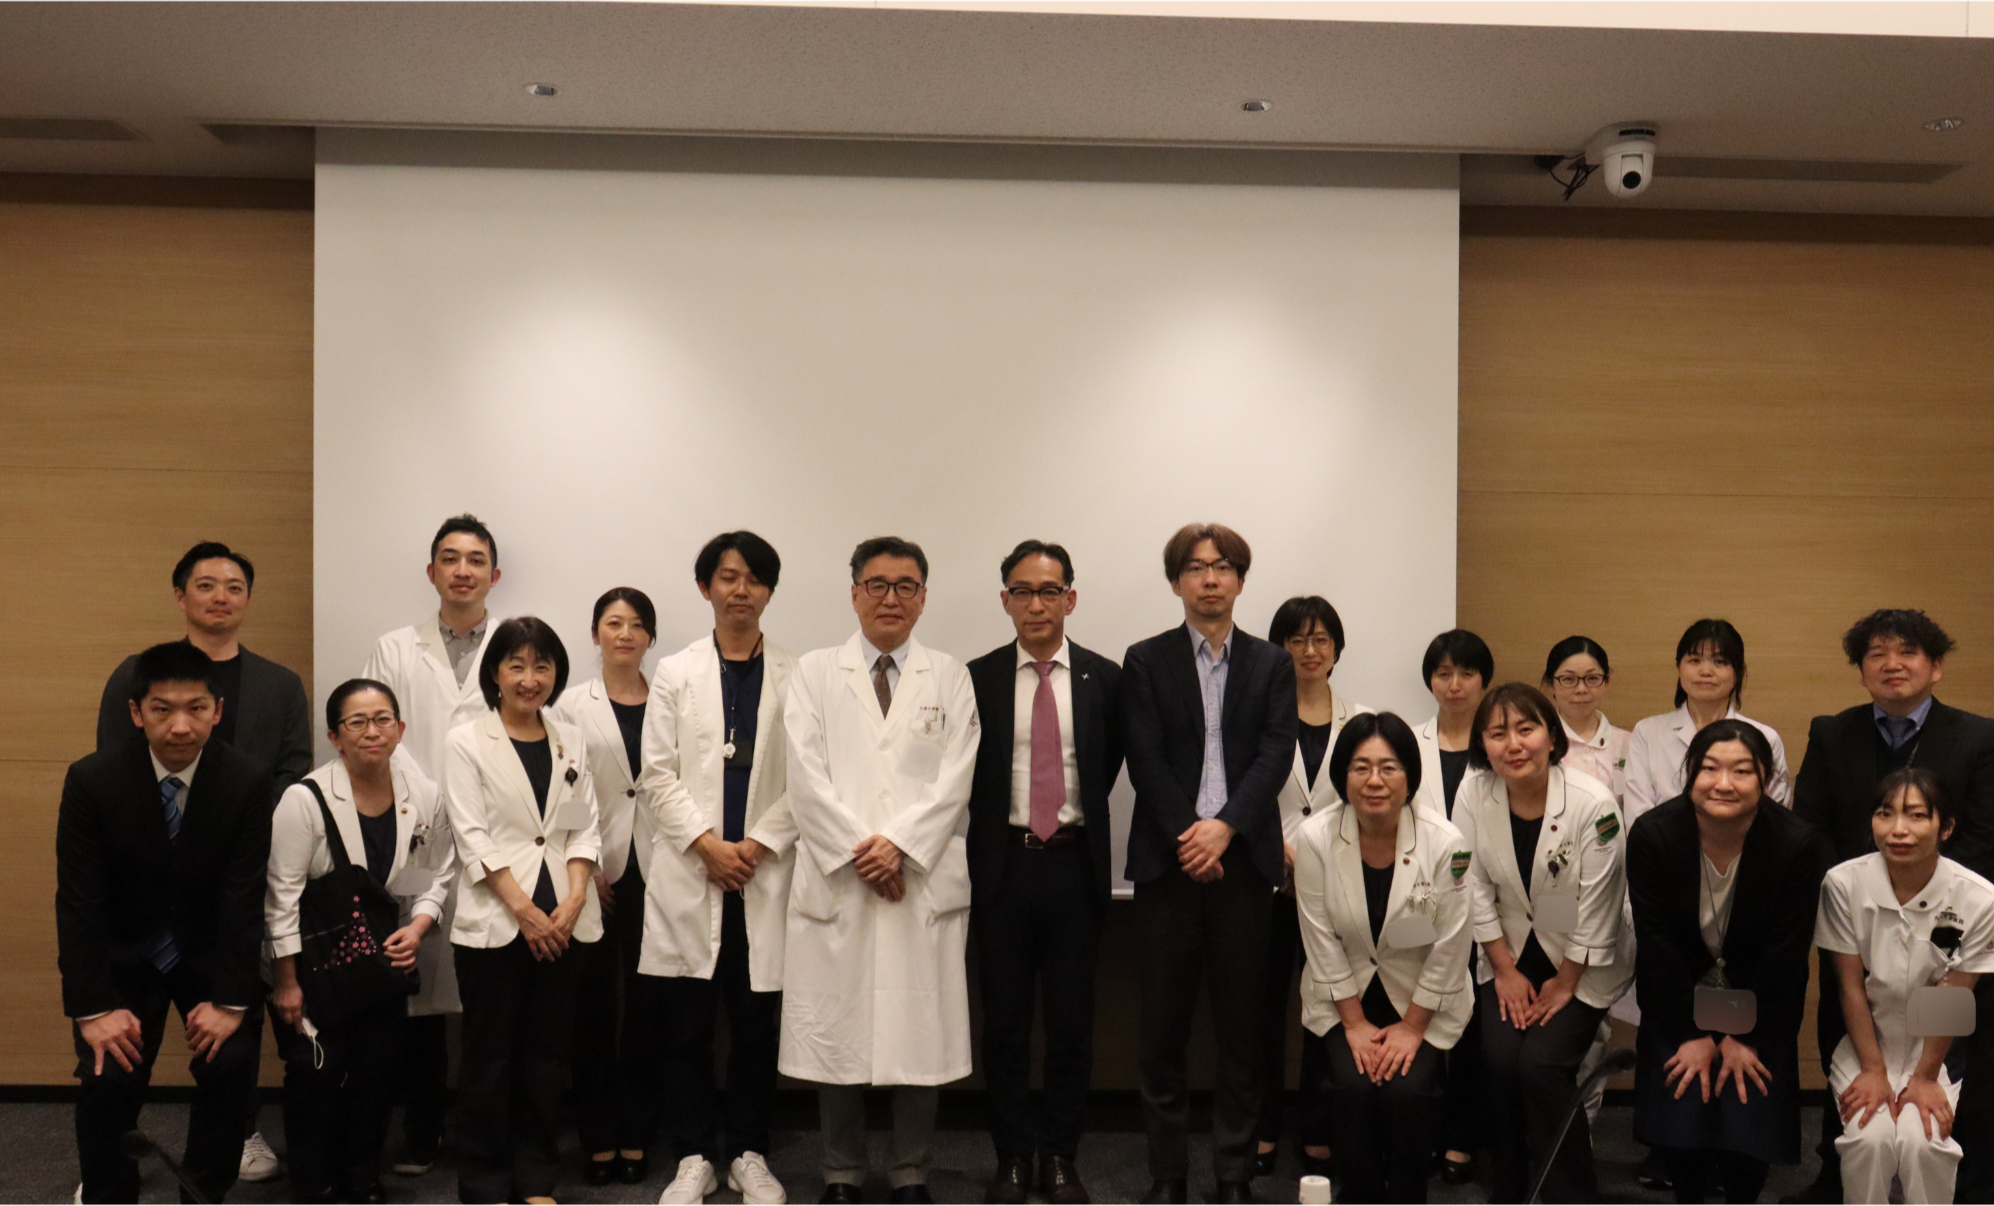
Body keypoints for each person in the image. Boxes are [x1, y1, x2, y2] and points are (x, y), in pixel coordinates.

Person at [94, 540, 309, 1185]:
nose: (221, 597)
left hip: (238, 880)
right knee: (126, 1045)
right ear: (180, 595)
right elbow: (114, 771)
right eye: (206, 585)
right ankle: (109, 1164)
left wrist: (239, 836)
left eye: (234, 586)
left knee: (231, 1038)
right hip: (146, 887)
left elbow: (292, 774)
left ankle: (239, 1134)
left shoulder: (279, 683)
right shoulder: (139, 674)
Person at [781, 536, 980, 1205]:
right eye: (877, 584)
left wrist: (898, 846)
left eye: (905, 586)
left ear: (923, 598)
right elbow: (803, 775)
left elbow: (955, 778)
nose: (891, 598)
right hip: (840, 878)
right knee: (836, 1031)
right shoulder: (814, 672)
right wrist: (862, 852)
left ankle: (910, 1172)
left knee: (918, 1036)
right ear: (854, 593)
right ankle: (840, 1172)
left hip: (917, 879)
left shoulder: (949, 676)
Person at [1789, 610, 1994, 1203]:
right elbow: (1812, 827)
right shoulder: (1832, 732)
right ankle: (1839, 1179)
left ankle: (1963, 1185)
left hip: (1951, 926)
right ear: (1861, 671)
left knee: (1943, 1085)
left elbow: (1984, 835)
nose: (1892, 664)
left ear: (1936, 666)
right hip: (1856, 918)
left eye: (1907, 652)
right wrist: (1864, 890)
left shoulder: (1979, 737)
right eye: (1876, 654)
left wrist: (1922, 890)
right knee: (1859, 1081)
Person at [58, 641, 273, 1203]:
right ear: (136, 712)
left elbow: (243, 897)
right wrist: (94, 1009)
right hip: (125, 956)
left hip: (208, 956)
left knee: (232, 1063)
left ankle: (202, 1192)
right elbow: (80, 902)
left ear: (217, 711)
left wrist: (230, 1002)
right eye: (162, 709)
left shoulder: (247, 781)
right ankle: (108, 1193)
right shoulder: (93, 780)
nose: (180, 726)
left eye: (196, 708)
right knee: (107, 1074)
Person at [1120, 522, 1297, 1205]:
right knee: (1162, 1030)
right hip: (1168, 868)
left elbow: (1275, 753)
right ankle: (1167, 1174)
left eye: (1223, 566)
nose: (1210, 578)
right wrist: (1190, 837)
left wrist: (1224, 829)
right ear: (1176, 582)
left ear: (1241, 580)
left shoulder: (1271, 663)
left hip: (1244, 865)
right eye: (1196, 568)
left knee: (1242, 1030)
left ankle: (1232, 1173)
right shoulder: (1145, 660)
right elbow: (1144, 757)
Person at [640, 533, 798, 1206]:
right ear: (706, 588)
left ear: (769, 592)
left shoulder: (797, 674)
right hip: (693, 871)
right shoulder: (675, 673)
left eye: (754, 578)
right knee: (687, 1027)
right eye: (728, 577)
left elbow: (808, 778)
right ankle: (695, 1156)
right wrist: (707, 845)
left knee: (758, 1025)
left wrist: (755, 844)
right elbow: (657, 773)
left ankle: (750, 1153)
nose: (741, 590)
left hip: (763, 875)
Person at [967, 541, 1124, 1205]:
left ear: (1071, 599)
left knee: (1069, 1024)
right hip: (1002, 868)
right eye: (1023, 591)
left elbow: (1107, 764)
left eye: (1050, 591)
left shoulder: (1105, 678)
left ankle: (1059, 1155)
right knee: (1003, 1024)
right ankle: (1011, 1158)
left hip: (1072, 868)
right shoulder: (975, 678)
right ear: (1005, 600)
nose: (1037, 604)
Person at [265, 679, 456, 1204]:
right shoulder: (304, 799)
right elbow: (280, 896)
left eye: (382, 719)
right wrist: (286, 983)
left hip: (380, 962)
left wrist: (417, 926)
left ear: (400, 729)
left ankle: (361, 1176)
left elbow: (432, 872)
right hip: (314, 965)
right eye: (357, 722)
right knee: (319, 1073)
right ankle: (314, 1182)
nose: (372, 731)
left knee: (376, 1072)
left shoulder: (424, 795)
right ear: (335, 736)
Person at [1628, 719, 1831, 1205]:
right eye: (1709, 768)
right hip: (1678, 1001)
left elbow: (1784, 954)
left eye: (1741, 771)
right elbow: (1657, 947)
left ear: (1766, 779)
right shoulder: (1654, 834)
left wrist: (1741, 1037)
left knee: (1746, 1117)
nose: (1723, 783)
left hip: (1760, 1004)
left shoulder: (1796, 843)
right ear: (1690, 773)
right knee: (1683, 1115)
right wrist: (1694, 1034)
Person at [443, 616, 602, 1205]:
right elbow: (472, 836)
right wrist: (525, 913)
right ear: (495, 674)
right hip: (498, 922)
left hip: (564, 920)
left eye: (542, 666)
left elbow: (582, 824)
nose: (529, 678)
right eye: (517, 665)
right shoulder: (466, 741)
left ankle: (536, 1178)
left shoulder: (569, 739)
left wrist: (576, 897)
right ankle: (485, 1182)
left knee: (546, 1057)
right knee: (489, 1058)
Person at [361, 513, 502, 1174]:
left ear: (494, 574)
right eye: (450, 558)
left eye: (475, 559)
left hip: (496, 835)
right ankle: (421, 1128)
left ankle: (483, 1130)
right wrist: (425, 799)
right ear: (432, 571)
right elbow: (374, 731)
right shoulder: (395, 648)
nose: (462, 570)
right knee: (415, 986)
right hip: (414, 832)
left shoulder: (516, 644)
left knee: (488, 989)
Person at [1452, 682, 1631, 1203]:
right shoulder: (1473, 793)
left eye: (1526, 729)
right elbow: (1471, 885)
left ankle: (1570, 1194)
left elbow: (1599, 903)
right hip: (1506, 952)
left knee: (1541, 1066)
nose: (1513, 744)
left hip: (1580, 959)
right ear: (1482, 745)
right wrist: (1504, 970)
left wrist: (1565, 983)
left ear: (1552, 737)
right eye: (1497, 733)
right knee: (1500, 1061)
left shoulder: (1592, 803)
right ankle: (1510, 1187)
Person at [1293, 711, 1473, 1204]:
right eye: (1361, 767)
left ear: (1410, 776)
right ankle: (1360, 1195)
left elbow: (1451, 943)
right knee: (1352, 1087)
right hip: (1344, 994)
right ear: (1343, 776)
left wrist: (1413, 1027)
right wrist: (1353, 1024)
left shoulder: (1446, 843)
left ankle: (1408, 1195)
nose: (1374, 781)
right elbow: (1318, 935)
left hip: (1421, 996)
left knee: (1406, 1091)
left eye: (1388, 767)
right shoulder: (1315, 838)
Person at [1817, 769, 1994, 1206]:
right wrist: (1873, 1070)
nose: (1899, 829)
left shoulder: (1978, 897)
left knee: (1923, 1141)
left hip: (1936, 1049)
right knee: (1869, 1138)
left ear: (1945, 827)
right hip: (1866, 1039)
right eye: (1885, 814)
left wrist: (1924, 1077)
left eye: (1917, 815)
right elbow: (1848, 985)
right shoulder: (1843, 884)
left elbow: (1954, 994)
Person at [548, 587, 662, 1189]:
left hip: (662, 869)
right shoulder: (569, 705)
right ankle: (597, 1135)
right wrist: (588, 868)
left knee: (647, 1008)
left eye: (637, 625)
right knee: (592, 1009)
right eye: (613, 623)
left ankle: (637, 1130)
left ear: (650, 638)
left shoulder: (671, 698)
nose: (625, 634)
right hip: (593, 872)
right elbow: (563, 795)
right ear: (595, 635)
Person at [1258, 595, 1369, 1178]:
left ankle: (1318, 1126)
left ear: (1337, 649)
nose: (1309, 650)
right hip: (1267, 883)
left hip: (1335, 887)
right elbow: (1240, 791)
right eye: (1296, 639)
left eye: (1321, 638)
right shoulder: (1255, 715)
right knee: (1261, 1010)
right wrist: (1273, 849)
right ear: (1278, 649)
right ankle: (1261, 1125)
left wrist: (1316, 860)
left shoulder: (1362, 721)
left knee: (1326, 1006)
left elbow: (1369, 800)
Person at [1410, 627, 1492, 1182]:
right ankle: (1419, 1132)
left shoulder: (1500, 743)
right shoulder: (1407, 743)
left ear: (1484, 680)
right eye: (1443, 673)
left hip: (1487, 908)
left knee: (1473, 1028)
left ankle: (1463, 1137)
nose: (1455, 684)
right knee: (1415, 1012)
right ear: (1430, 681)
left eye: (1466, 673)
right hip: (1420, 905)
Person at [1625, 619, 1790, 826]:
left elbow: (1774, 817)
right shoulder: (1648, 732)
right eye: (1694, 660)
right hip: (1660, 845)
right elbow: (1638, 817)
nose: (1705, 671)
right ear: (1679, 667)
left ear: (1738, 671)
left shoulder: (1765, 737)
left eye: (1719, 662)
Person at [1542, 636, 1631, 806]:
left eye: (1592, 679)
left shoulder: (1628, 743)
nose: (1581, 689)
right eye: (1568, 679)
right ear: (1551, 684)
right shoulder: (1539, 743)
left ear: (1606, 682)